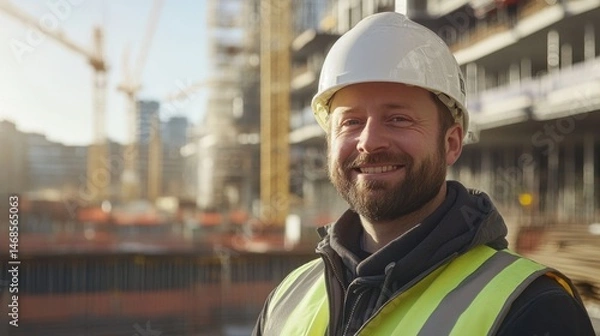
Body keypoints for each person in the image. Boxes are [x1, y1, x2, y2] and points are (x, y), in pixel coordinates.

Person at [253, 12, 595, 336]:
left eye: (398, 119)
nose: (369, 143)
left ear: (451, 143)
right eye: (351, 122)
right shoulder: (288, 298)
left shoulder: (533, 307)